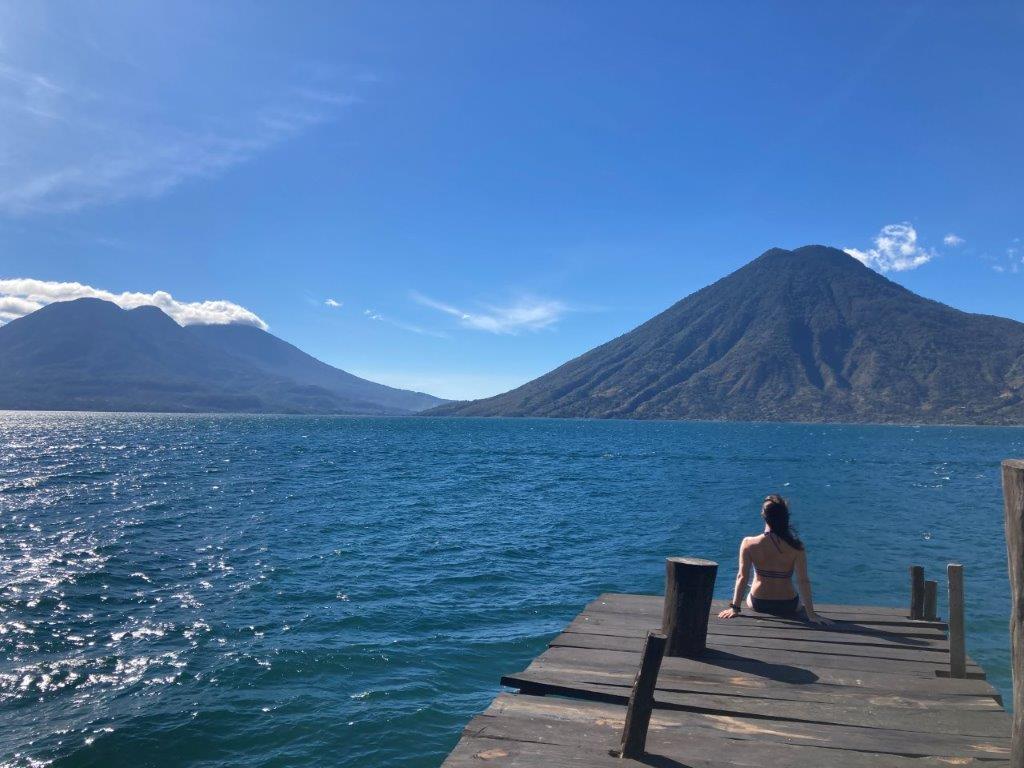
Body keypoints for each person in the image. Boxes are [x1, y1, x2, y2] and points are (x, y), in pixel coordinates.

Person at [717, 494, 832, 626]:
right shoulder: (796, 546)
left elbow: (741, 577)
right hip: (789, 604)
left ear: (763, 515)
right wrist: (811, 615)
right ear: (785, 517)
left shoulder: (749, 543)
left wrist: (735, 608)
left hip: (759, 602)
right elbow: (803, 581)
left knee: (755, 579)